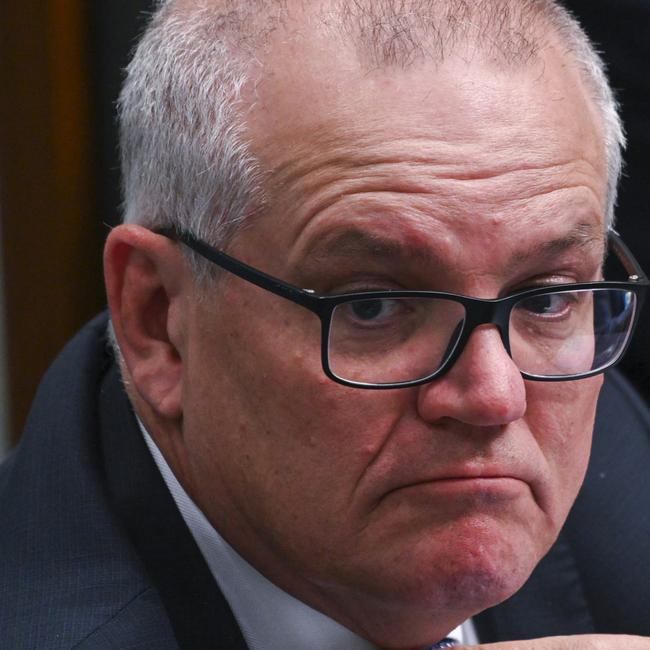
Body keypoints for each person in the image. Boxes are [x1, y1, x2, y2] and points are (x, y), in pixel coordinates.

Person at [1, 1, 649, 648]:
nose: (494, 395)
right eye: (373, 306)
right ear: (161, 322)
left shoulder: (625, 475)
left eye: (544, 300)